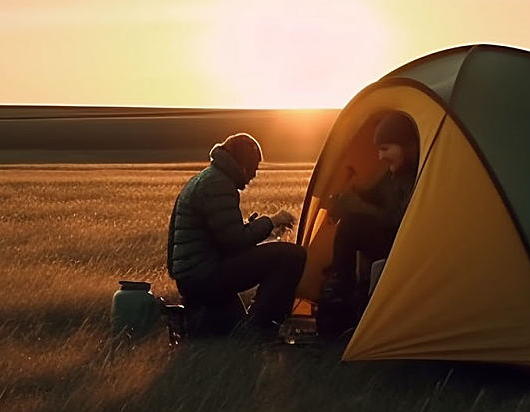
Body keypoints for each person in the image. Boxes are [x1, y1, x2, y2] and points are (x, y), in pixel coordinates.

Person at [167, 132, 306, 337]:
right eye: (254, 168)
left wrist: (255, 228)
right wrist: (272, 221)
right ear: (243, 164)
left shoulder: (207, 178)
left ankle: (237, 326)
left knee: (231, 331)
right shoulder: (218, 184)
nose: (254, 175)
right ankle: (263, 328)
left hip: (193, 276)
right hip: (204, 276)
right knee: (292, 256)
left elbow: (222, 236)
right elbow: (235, 240)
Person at [319, 112, 419, 329]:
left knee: (353, 223)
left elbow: (399, 221)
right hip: (389, 241)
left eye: (385, 149)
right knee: (351, 222)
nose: (380, 156)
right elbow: (373, 194)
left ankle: (341, 291)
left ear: (407, 146)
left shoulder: (418, 177)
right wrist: (348, 195)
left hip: (405, 248)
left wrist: (356, 205)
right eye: (378, 149)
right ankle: (339, 290)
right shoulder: (394, 173)